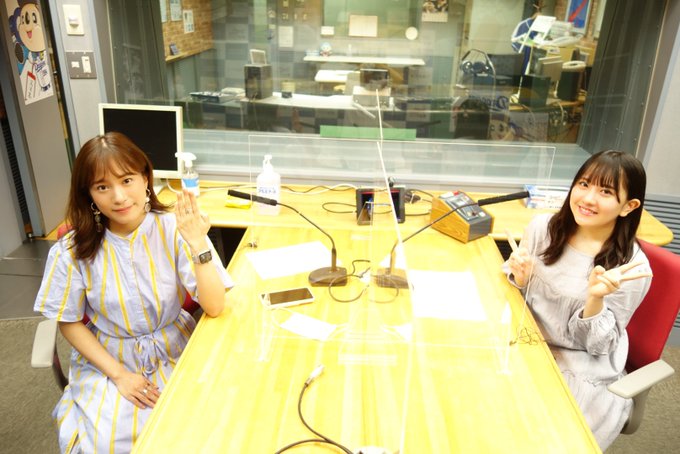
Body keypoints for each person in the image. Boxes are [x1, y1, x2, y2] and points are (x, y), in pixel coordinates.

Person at [34, 132, 234, 453]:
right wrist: (120, 376)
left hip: (176, 346)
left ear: (145, 179)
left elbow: (214, 306)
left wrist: (198, 243)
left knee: (202, 429)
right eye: (102, 187)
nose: (118, 197)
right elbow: (68, 321)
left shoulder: (176, 228)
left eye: (126, 180)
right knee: (111, 442)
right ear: (89, 195)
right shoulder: (72, 250)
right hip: (110, 359)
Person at [503, 150, 652, 450]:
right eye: (584, 184)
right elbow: (520, 290)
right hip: (529, 340)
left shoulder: (631, 268)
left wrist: (594, 299)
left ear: (629, 206)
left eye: (606, 192)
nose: (588, 199)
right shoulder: (543, 228)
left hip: (580, 363)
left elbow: (597, 346)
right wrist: (521, 278)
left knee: (532, 438)